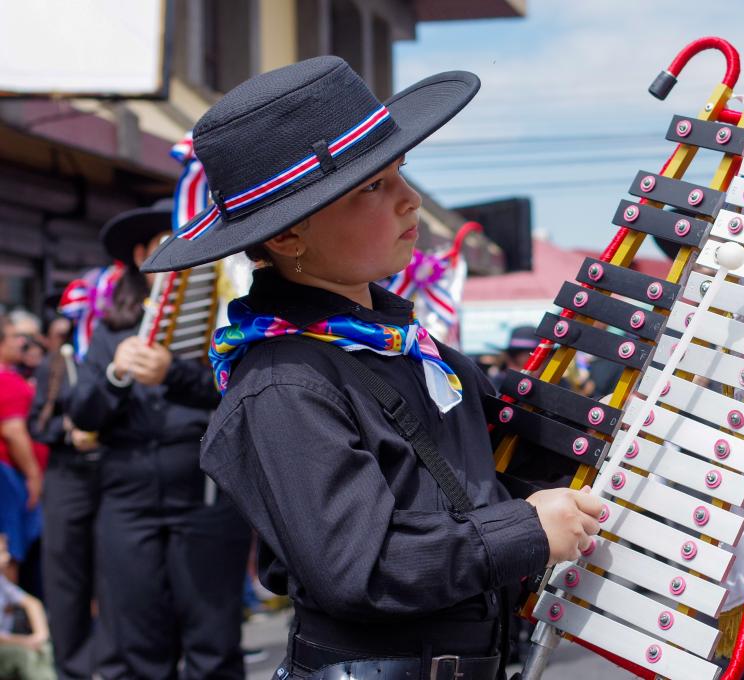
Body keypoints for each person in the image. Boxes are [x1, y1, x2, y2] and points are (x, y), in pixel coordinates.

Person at [141, 57, 602, 680]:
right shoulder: (284, 385)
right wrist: (526, 530)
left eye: (399, 173)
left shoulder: (416, 351)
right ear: (288, 237)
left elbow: (488, 478)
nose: (411, 201)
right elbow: (361, 570)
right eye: (372, 188)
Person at [68, 201, 250, 679]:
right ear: (142, 257)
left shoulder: (227, 324)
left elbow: (240, 396)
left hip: (204, 498)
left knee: (214, 643)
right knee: (139, 642)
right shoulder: (111, 332)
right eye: (166, 245)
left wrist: (173, 373)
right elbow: (83, 412)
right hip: (128, 502)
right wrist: (116, 376)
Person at [28, 293, 107, 680]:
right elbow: (37, 424)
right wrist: (68, 429)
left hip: (111, 474)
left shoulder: (106, 355)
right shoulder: (55, 364)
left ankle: (111, 660)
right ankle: (74, 668)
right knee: (66, 576)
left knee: (117, 573)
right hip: (68, 476)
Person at [0, 314, 44, 584]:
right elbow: (13, 431)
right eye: (14, 336)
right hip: (9, 476)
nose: (21, 343)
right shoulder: (5, 380)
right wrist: (33, 474)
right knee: (8, 549)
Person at [0, 533, 55, 680]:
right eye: (2, 552)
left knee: (45, 649)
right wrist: (25, 642)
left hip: (10, 641)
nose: (7, 557)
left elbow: (33, 604)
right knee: (25, 655)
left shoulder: (2, 583)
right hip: (8, 645)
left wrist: (40, 636)